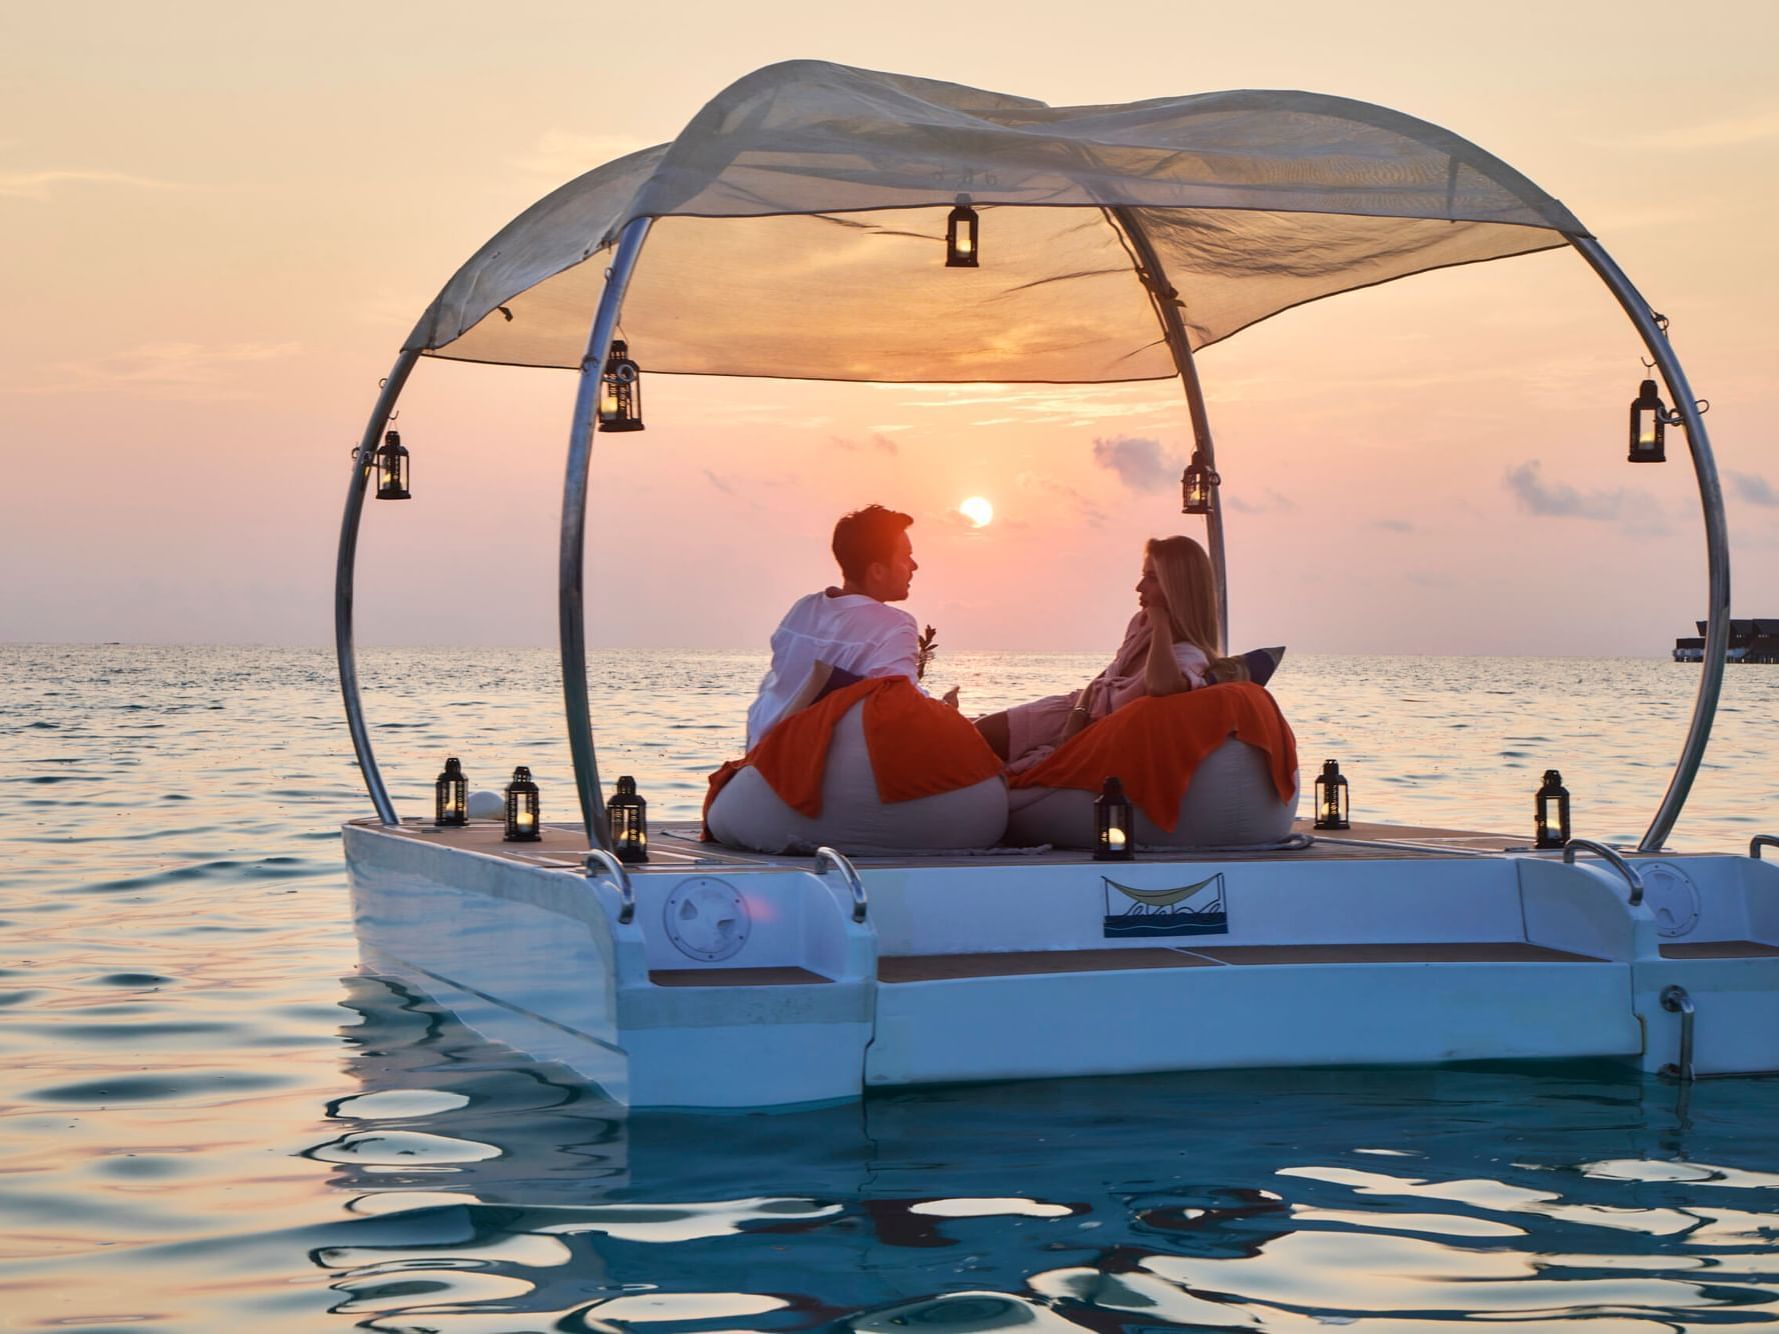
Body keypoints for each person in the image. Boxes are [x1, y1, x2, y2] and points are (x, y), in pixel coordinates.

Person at [975, 535, 1247, 767]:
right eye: (1143, 576)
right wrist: (1075, 719)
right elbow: (1103, 677)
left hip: (1099, 731)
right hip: (1074, 711)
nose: (1139, 587)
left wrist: (1162, 624)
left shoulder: (1189, 655)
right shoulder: (1140, 625)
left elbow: (1162, 686)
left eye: (1152, 579)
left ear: (1177, 588)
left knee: (984, 749)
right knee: (978, 732)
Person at [745, 505, 957, 750]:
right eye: (905, 556)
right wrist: (945, 712)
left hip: (760, 753)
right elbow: (902, 712)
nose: (914, 565)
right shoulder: (895, 626)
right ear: (877, 571)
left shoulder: (802, 610)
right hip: (808, 766)